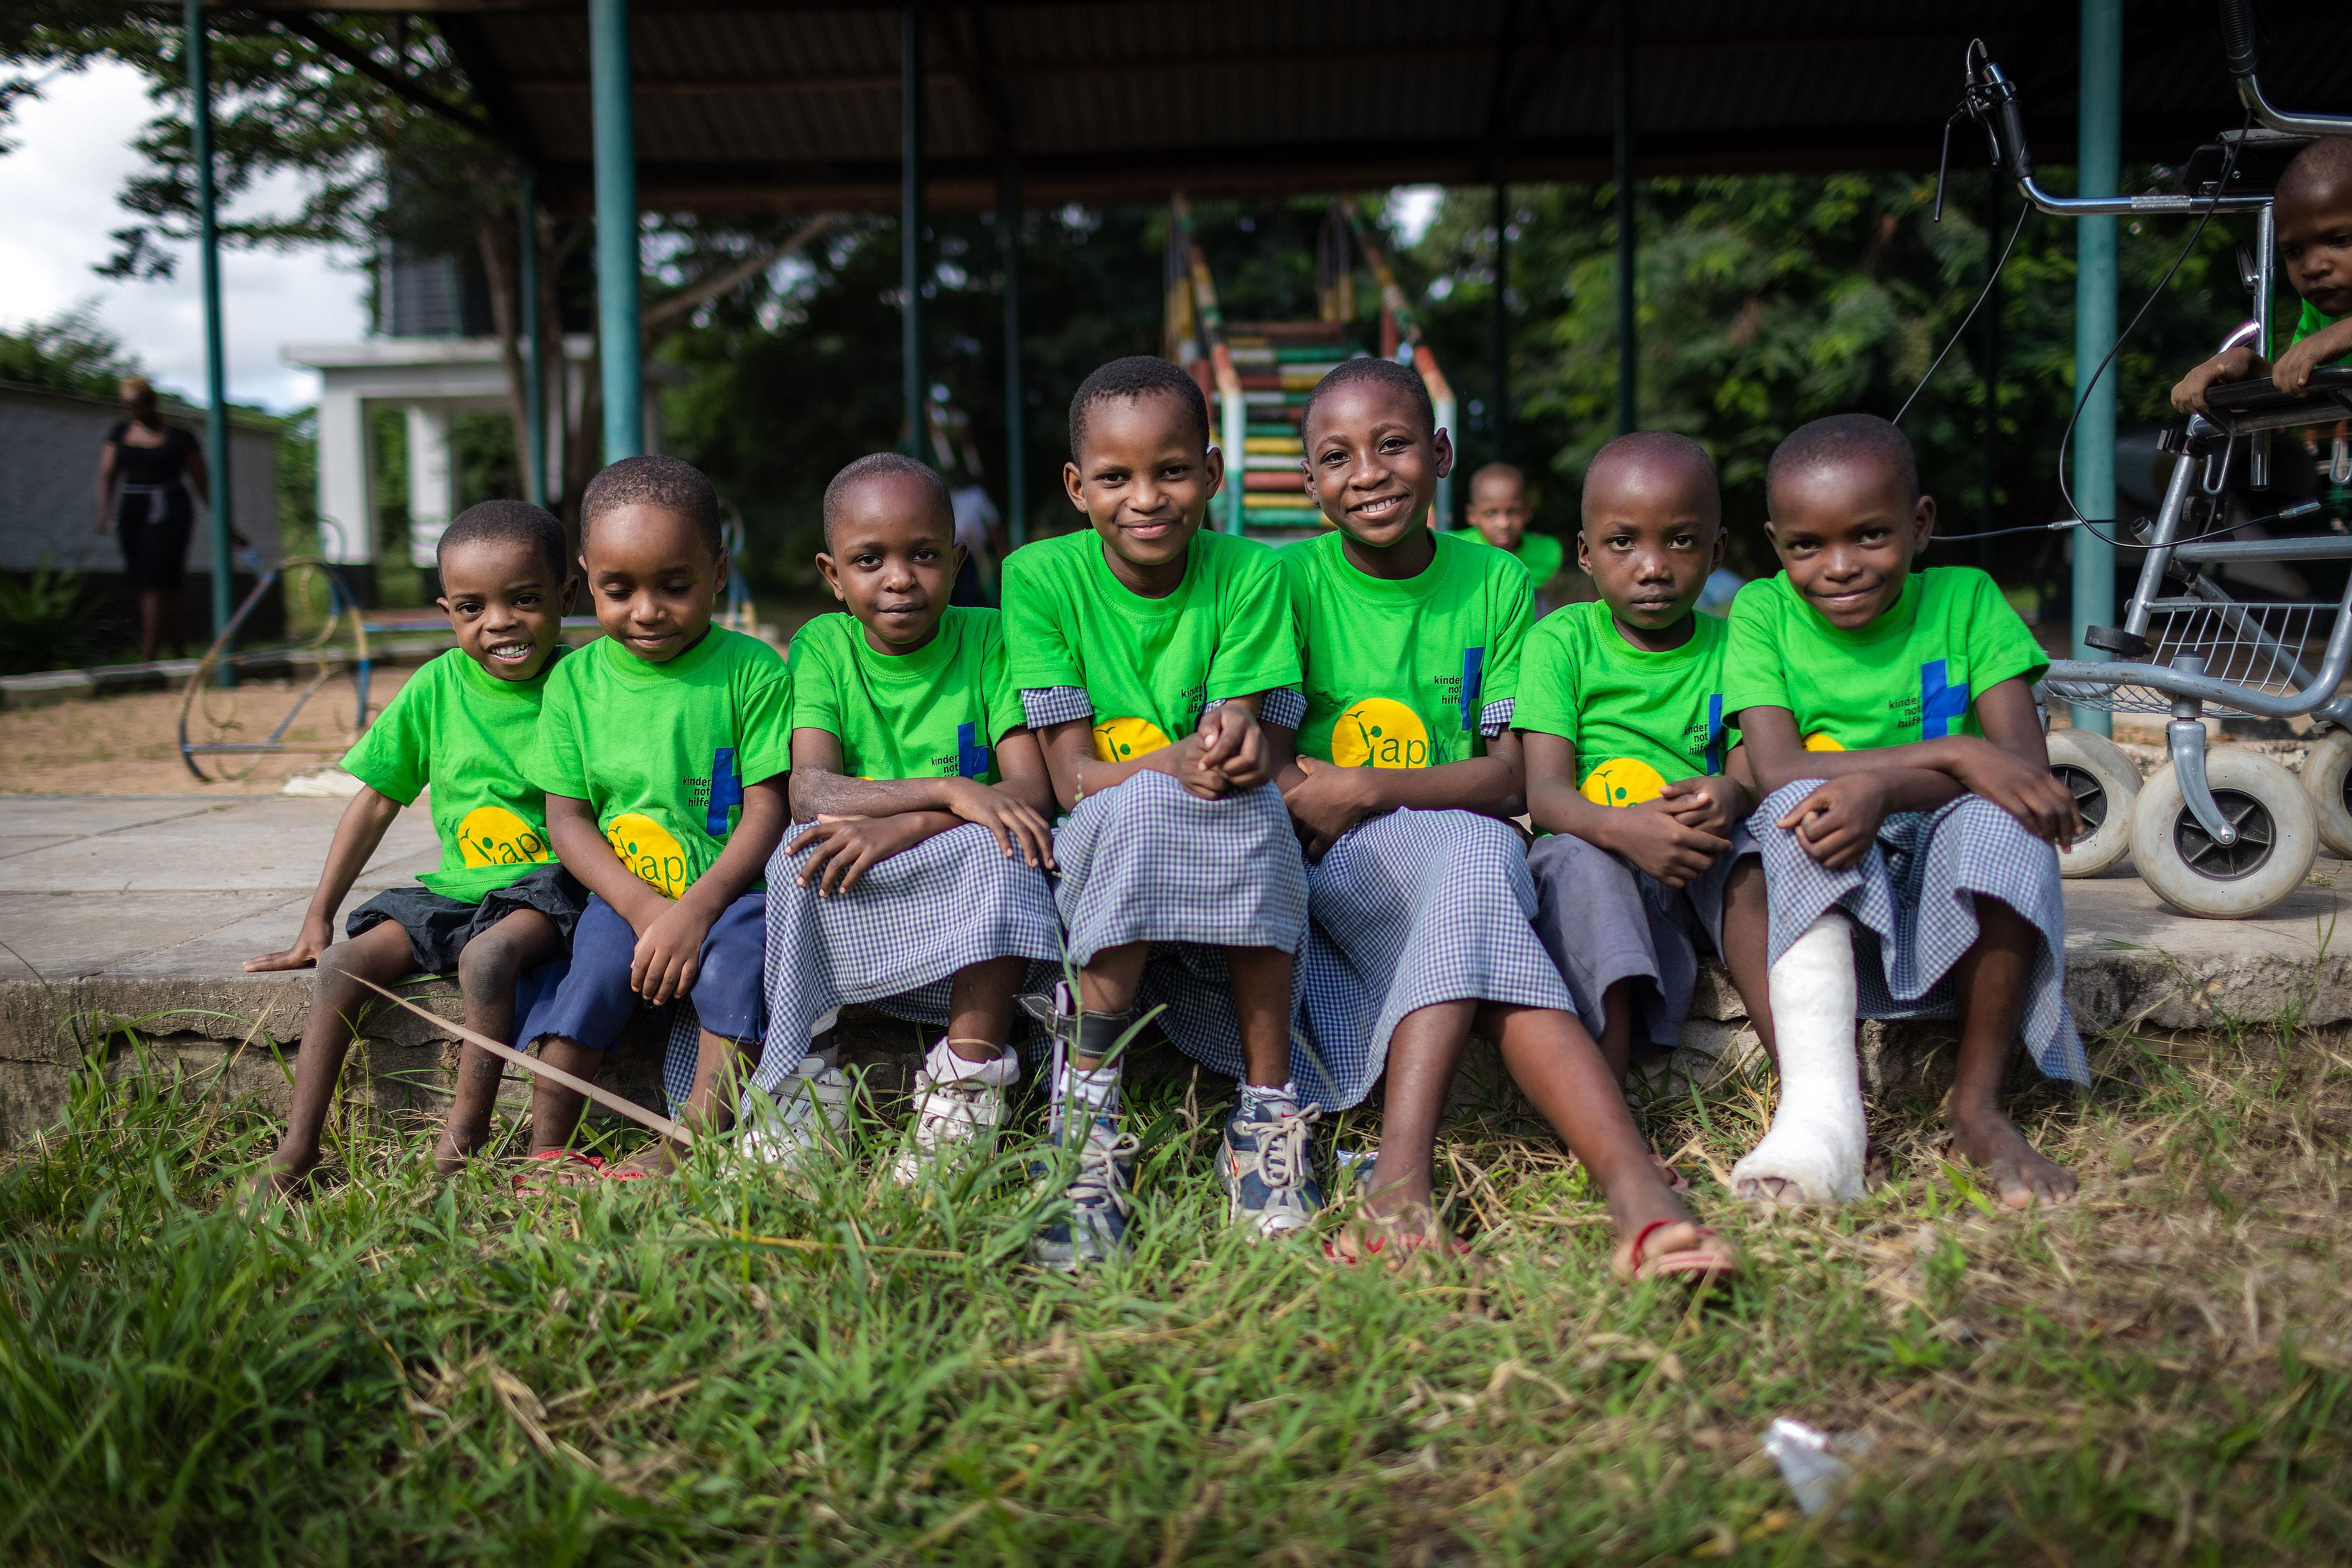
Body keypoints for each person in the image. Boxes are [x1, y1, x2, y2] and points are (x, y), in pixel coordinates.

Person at [1269, 362, 1733, 1282]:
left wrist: (1363, 788)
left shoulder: (1495, 582)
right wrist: (1403, 794)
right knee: (1480, 853)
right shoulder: (1286, 580)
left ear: (1440, 452)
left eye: (1394, 444)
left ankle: (1405, 1193)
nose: (1368, 472)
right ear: (1310, 479)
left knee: (1480, 852)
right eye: (1337, 456)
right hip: (1334, 871)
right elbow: (1286, 781)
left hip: (1436, 844)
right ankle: (1631, 1191)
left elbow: (1510, 775)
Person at [1724, 414, 2083, 1209]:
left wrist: (1890, 786)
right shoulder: (1762, 611)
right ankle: (1825, 1106)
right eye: (1806, 546)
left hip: (1942, 836)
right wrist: (1956, 752)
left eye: (1872, 536)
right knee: (1785, 815)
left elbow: (2023, 774)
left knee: (2006, 822)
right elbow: (1777, 765)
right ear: (1776, 543)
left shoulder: (1967, 599)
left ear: (1921, 525)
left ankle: (1978, 1105)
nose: (1840, 567)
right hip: (1831, 842)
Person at [1000, 355, 1307, 1267]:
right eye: (1116, 477)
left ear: (1212, 474)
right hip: (1101, 827)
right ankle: (1084, 1122)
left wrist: (1233, 741)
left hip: (1222, 814)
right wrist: (1168, 765)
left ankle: (1267, 1115)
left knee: (1255, 811)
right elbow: (1072, 780)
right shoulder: (1041, 578)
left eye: (1173, 471)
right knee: (1139, 811)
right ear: (1076, 487)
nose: (1148, 498)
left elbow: (1241, 723)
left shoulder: (1252, 574)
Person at [243, 500, 584, 1196]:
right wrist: (317, 917)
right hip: (459, 887)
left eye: (524, 600)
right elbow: (374, 802)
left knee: (489, 958)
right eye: (471, 608)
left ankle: (462, 1143)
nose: (499, 623)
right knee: (343, 961)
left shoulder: (588, 683)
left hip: (551, 888)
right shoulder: (436, 686)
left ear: (565, 596)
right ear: (447, 611)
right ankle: (296, 1149)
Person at [755, 452, 1063, 1181]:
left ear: (957, 562)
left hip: (958, 861)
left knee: (1007, 850)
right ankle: (809, 1082)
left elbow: (1029, 791)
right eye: (870, 560)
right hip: (863, 864)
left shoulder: (990, 638)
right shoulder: (824, 646)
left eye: (924, 555)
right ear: (833, 575)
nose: (900, 578)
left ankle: (964, 1089)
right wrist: (953, 790)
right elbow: (811, 793)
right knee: (798, 852)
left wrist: (913, 821)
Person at [522, 455, 792, 1178]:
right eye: (619, 589)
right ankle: (546, 1149)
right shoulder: (575, 682)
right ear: (584, 578)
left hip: (733, 893)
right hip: (623, 893)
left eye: (676, 586)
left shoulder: (753, 671)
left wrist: (696, 911)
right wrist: (643, 907)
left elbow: (768, 807)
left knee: (738, 965)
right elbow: (569, 821)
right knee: (594, 973)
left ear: (718, 571)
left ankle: (687, 1145)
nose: (647, 610)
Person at [1518, 432, 1776, 1110]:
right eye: (1623, 542)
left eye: (1682, 542)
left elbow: (1753, 756)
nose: (1653, 567)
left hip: (1697, 861)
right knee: (1583, 867)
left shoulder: (1737, 646)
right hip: (1594, 851)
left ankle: (1808, 1084)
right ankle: (1606, 1115)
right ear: (1585, 553)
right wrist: (1626, 831)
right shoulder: (1562, 641)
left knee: (1748, 857)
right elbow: (1544, 796)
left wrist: (1731, 789)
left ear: (1717, 551)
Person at [2173, 137, 2352, 413]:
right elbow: (2311, 403)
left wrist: (2343, 334)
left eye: (2340, 240)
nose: (2312, 267)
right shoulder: (2324, 307)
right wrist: (2250, 368)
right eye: (2293, 252)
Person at [95, 376, 208, 662]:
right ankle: (179, 653)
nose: (134, 412)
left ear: (152, 403)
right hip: (134, 511)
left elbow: (203, 484)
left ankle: (148, 658)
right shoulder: (120, 433)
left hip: (170, 510)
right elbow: (108, 473)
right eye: (128, 407)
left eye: (139, 405)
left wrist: (224, 522)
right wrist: (105, 511)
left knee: (155, 580)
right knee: (151, 581)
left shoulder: (181, 437)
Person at [1447, 462, 1566, 610]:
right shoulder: (1453, 549)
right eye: (1491, 513)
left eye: (1513, 512)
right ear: (1472, 515)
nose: (1503, 524)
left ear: (1527, 512)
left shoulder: (1546, 552)